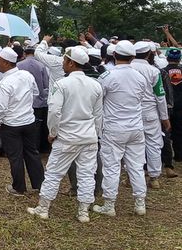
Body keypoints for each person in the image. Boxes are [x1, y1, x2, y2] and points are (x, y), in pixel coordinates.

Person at [26, 47, 103, 223]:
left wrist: (53, 132)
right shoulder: (95, 85)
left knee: (53, 173)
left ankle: (43, 208)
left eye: (64, 60)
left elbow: (54, 111)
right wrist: (96, 134)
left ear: (71, 62)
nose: (62, 63)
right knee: (86, 174)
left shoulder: (61, 84)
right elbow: (99, 115)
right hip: (88, 136)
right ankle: (83, 211)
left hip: (67, 137)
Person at [93, 40, 148, 216]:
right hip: (136, 127)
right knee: (136, 166)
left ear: (114, 55)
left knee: (111, 166)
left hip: (114, 128)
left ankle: (109, 205)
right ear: (133, 57)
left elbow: (98, 101)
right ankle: (140, 203)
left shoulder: (107, 76)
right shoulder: (141, 77)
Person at [0, 47, 44, 197]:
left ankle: (19, 187)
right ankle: (40, 184)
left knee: (15, 156)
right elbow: (35, 93)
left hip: (11, 124)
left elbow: (1, 107)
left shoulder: (5, 83)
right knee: (32, 153)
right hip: (28, 121)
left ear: (6, 62)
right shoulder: (26, 75)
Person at [130, 41, 170, 189]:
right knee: (153, 144)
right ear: (149, 54)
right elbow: (160, 96)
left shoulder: (127, 68)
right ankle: (154, 178)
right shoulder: (154, 71)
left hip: (131, 111)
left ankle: (131, 176)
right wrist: (164, 117)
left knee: (132, 145)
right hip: (150, 112)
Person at [17, 44, 51, 153]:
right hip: (39, 102)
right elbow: (46, 84)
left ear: (24, 54)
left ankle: (24, 147)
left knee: (23, 125)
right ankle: (36, 148)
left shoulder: (18, 65)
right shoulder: (41, 66)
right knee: (38, 126)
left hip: (23, 102)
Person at [163, 48, 182, 176]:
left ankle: (166, 160)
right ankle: (179, 156)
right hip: (181, 105)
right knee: (179, 131)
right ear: (179, 59)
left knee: (166, 134)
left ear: (166, 57)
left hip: (167, 105)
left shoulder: (163, 71)